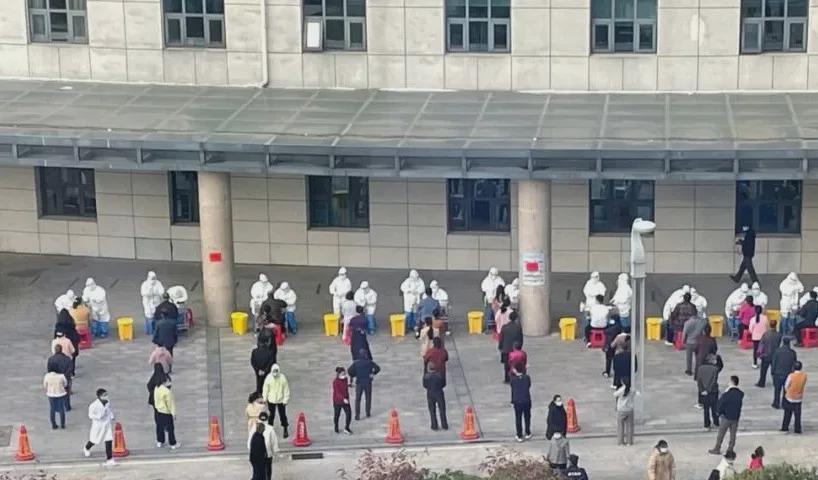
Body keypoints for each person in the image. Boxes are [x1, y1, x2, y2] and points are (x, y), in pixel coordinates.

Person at [709, 375, 744, 455]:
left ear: (732, 382)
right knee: (733, 434)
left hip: (726, 417)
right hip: (735, 417)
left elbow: (721, 404)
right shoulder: (740, 394)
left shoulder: (727, 394)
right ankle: (730, 449)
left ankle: (717, 448)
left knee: (721, 434)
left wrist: (718, 412)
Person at [84, 388, 115, 465]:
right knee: (94, 440)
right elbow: (90, 415)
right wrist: (98, 416)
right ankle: (87, 448)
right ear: (99, 396)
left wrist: (111, 416)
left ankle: (109, 459)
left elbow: (108, 410)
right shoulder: (93, 405)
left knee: (109, 440)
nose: (106, 396)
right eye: (104, 395)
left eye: (106, 394)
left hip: (106, 424)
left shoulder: (107, 402)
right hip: (98, 425)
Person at [348, 350, 380, 420]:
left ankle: (357, 415)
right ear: (366, 355)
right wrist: (373, 374)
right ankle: (368, 413)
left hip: (359, 382)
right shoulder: (369, 362)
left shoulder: (356, 363)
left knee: (358, 399)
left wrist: (355, 374)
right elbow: (378, 368)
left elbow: (349, 371)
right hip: (368, 382)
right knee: (368, 398)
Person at [262, 364, 290, 438]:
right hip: (271, 400)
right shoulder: (268, 378)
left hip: (281, 400)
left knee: (283, 415)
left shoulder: (282, 378)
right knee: (271, 415)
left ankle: (285, 429)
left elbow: (286, 390)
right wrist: (264, 398)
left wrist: (285, 400)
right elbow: (265, 389)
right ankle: (270, 430)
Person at [781, 360, 806, 434]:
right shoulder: (804, 376)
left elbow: (786, 386)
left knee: (787, 414)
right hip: (799, 398)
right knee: (797, 415)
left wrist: (787, 392)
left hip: (790, 397)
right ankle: (797, 429)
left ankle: (785, 427)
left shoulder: (791, 376)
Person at [696, 354, 721, 430]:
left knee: (706, 409)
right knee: (714, 408)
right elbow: (714, 381)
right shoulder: (715, 369)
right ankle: (716, 423)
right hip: (713, 391)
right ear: (712, 361)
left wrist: (702, 390)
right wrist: (708, 390)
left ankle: (706, 425)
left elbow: (699, 380)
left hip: (703, 392)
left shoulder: (700, 368)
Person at [771, 337, 797, 409]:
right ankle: (784, 404)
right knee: (786, 391)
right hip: (787, 374)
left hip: (778, 374)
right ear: (789, 343)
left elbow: (774, 363)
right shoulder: (792, 353)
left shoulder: (777, 351)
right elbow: (794, 364)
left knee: (777, 390)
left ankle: (776, 403)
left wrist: (772, 372)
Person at [153, 377, 178, 449]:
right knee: (170, 428)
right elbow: (170, 404)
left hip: (158, 411)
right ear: (165, 382)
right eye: (169, 381)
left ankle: (160, 441)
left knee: (159, 427)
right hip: (166, 412)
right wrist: (173, 413)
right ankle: (172, 443)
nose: (170, 383)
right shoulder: (167, 392)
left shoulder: (157, 388)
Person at [498, 311, 523, 383]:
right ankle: (514, 377)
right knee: (515, 364)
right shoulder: (518, 328)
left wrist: (500, 347)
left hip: (506, 349)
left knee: (506, 365)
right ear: (516, 318)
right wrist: (519, 348)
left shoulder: (504, 327)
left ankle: (507, 379)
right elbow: (520, 339)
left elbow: (501, 339)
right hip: (515, 349)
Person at [756, 319, 781, 388]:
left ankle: (761, 383)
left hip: (766, 355)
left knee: (763, 371)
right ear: (776, 325)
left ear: (770, 325)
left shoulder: (766, 334)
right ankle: (775, 382)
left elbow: (761, 344)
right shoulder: (779, 335)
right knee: (775, 370)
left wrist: (759, 353)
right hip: (775, 355)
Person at [47, 345, 73, 411]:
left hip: (55, 378)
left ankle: (57, 407)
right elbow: (70, 368)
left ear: (55, 350)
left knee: (57, 392)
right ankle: (67, 406)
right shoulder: (67, 358)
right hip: (66, 377)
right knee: (66, 391)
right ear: (61, 350)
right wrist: (66, 375)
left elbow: (49, 369)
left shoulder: (51, 359)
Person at [509, 365, 531, 441]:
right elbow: (529, 385)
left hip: (517, 401)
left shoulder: (513, 380)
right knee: (527, 417)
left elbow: (512, 387)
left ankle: (519, 435)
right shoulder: (527, 378)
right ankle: (528, 432)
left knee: (518, 418)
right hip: (526, 400)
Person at [255, 412, 278, 480]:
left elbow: (250, 441)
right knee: (268, 469)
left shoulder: (254, 428)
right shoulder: (270, 429)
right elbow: (274, 441)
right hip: (268, 453)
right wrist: (275, 451)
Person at [424, 365, 448, 431]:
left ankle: (434, 425)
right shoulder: (440, 376)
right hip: (439, 394)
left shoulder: (426, 377)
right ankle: (444, 425)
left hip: (430, 394)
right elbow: (443, 384)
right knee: (442, 410)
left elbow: (425, 385)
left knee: (432, 410)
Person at [481, 267, 506, 333]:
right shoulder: (486, 281)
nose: (494, 276)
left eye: (495, 274)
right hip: (489, 300)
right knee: (489, 314)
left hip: (496, 301)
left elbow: (502, 288)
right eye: (492, 274)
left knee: (497, 314)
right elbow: (484, 289)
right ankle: (488, 328)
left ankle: (498, 327)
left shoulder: (499, 280)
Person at [140, 271, 165, 336]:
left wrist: (157, 292)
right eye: (152, 278)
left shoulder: (158, 283)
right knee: (149, 317)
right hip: (148, 303)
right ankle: (149, 331)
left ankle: (156, 330)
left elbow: (162, 291)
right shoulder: (145, 284)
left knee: (157, 317)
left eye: (154, 278)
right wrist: (149, 291)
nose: (153, 280)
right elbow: (143, 293)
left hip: (157, 302)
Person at [400, 269, 425, 333]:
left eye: (414, 277)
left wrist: (417, 291)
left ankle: (414, 326)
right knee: (408, 314)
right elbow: (402, 287)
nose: (413, 278)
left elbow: (422, 289)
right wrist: (409, 290)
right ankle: (407, 326)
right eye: (412, 277)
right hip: (408, 301)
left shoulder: (420, 281)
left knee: (415, 314)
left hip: (416, 301)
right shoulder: (407, 281)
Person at [332, 367, 353, 435]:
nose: (344, 375)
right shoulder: (335, 382)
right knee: (337, 415)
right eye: (343, 374)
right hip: (337, 401)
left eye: (344, 373)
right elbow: (337, 392)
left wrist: (347, 397)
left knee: (349, 414)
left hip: (346, 400)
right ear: (339, 374)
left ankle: (347, 428)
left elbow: (345, 389)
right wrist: (343, 399)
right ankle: (336, 427)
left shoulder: (345, 379)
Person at [614, 380, 634, 446]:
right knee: (629, 426)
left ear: (623, 382)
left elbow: (614, 394)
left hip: (621, 410)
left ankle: (621, 442)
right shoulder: (631, 390)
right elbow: (637, 393)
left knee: (620, 426)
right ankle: (629, 442)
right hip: (629, 409)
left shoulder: (621, 390)